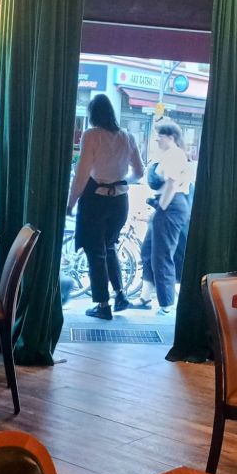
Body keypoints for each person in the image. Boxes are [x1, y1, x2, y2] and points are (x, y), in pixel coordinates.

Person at [66, 95, 144, 320]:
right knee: (109, 247)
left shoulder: (92, 135)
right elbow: (139, 172)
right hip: (120, 202)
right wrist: (121, 182)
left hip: (96, 200)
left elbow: (82, 174)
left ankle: (102, 305)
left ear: (92, 114)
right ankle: (120, 295)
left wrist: (71, 203)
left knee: (96, 252)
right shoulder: (127, 137)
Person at [133, 120, 191, 316]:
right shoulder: (169, 154)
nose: (157, 139)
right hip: (168, 205)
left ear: (171, 137)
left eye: (160, 135)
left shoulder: (175, 154)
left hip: (170, 206)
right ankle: (145, 297)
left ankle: (166, 304)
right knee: (148, 250)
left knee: (162, 255)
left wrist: (162, 207)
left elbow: (172, 183)